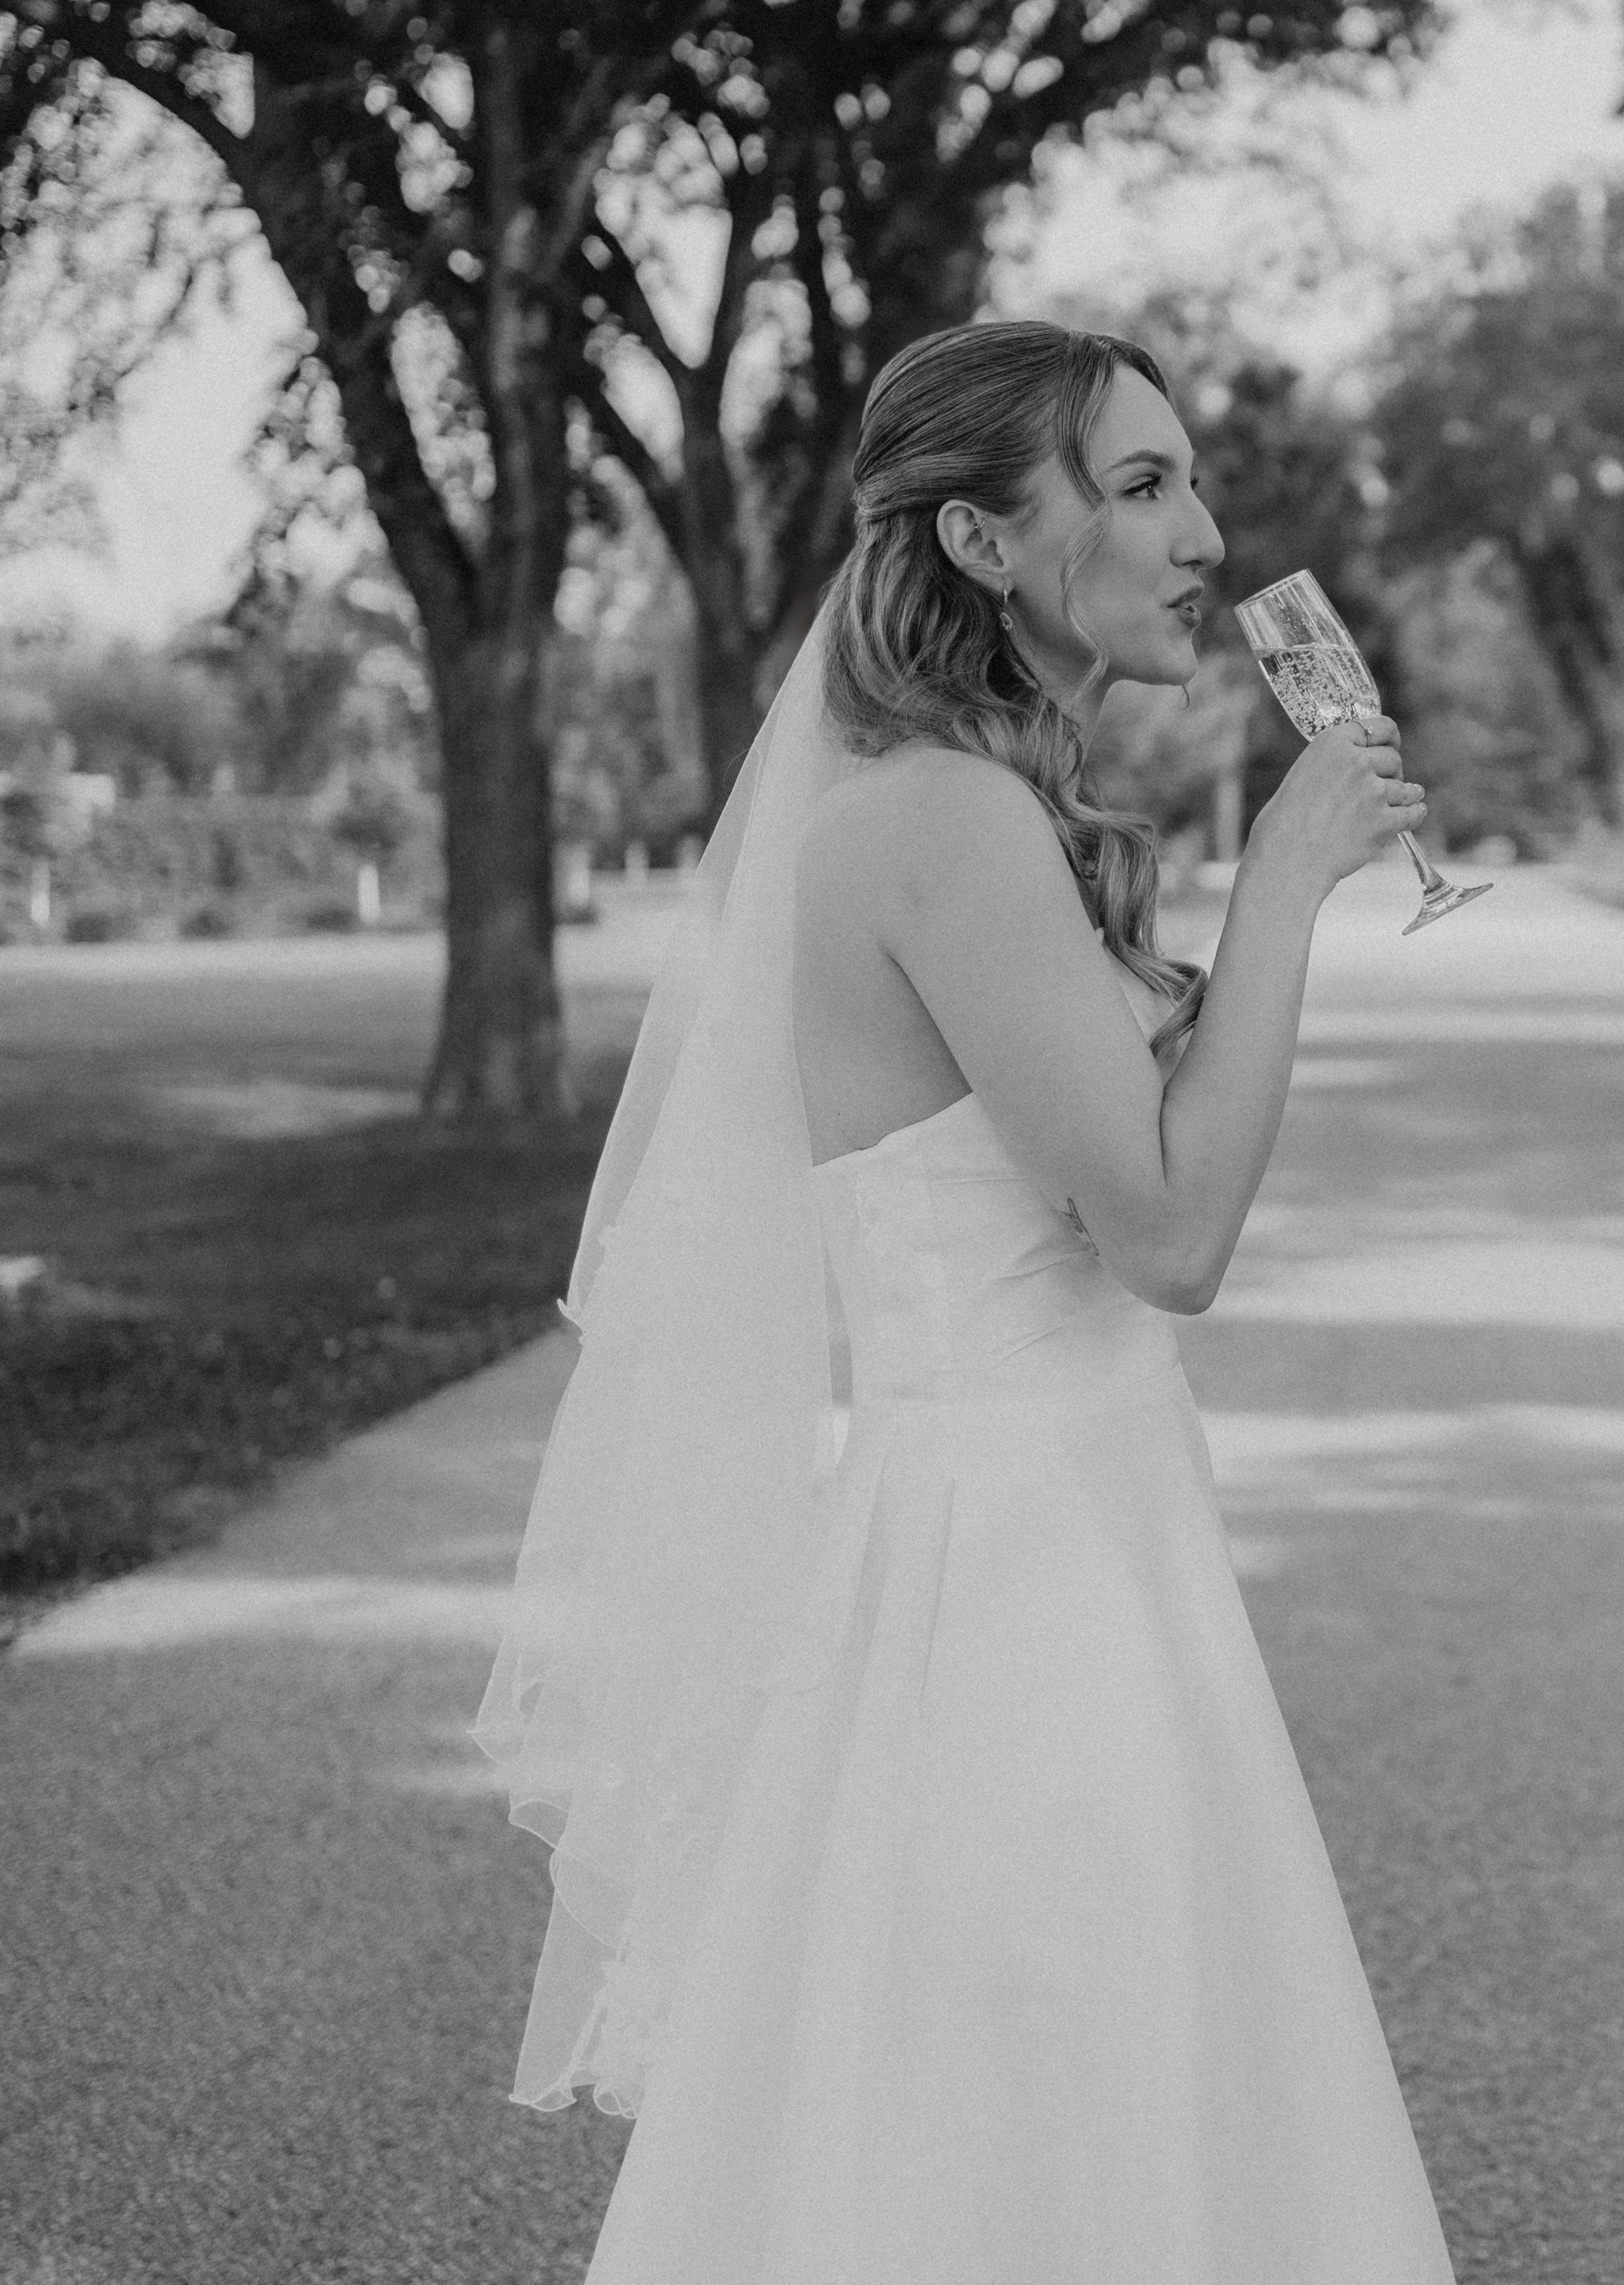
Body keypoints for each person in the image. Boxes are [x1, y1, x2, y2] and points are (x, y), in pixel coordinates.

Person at [476, 320, 1454, 2283]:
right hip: (1015, 1591)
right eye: (1142, 484)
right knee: (1038, 2118)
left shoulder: (987, 807)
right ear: (988, 544)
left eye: (1192, 479)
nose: (1204, 531)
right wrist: (1282, 886)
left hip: (1081, 1541)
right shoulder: (939, 820)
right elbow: (1169, 1238)